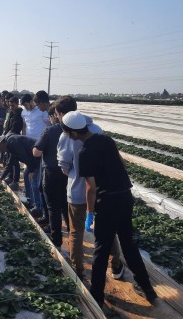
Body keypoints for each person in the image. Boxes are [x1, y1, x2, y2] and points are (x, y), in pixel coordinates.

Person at [62, 111, 158, 308]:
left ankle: (97, 295)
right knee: (128, 244)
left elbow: (91, 187)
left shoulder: (84, 153)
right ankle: (148, 289)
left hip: (107, 203)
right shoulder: (106, 140)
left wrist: (90, 213)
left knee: (102, 248)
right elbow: (120, 163)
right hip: (125, 197)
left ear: (72, 133)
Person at [55, 96, 124, 280]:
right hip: (100, 191)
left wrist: (73, 172)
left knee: (76, 231)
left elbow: (64, 166)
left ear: (63, 115)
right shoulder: (97, 130)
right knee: (106, 230)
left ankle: (78, 270)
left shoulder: (65, 135)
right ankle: (116, 264)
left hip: (77, 191)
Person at [33, 103, 69, 249]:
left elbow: (37, 152)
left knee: (53, 207)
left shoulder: (50, 131)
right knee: (66, 204)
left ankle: (57, 239)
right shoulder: (75, 130)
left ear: (56, 115)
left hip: (52, 172)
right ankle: (73, 233)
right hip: (68, 173)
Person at [0, 134, 40, 210]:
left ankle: (38, 207)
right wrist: (1, 178)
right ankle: (30, 200)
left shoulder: (12, 142)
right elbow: (10, 164)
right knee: (26, 176)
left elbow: (25, 156)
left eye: (0, 148)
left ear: (2, 143)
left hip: (37, 157)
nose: (1, 150)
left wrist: (32, 170)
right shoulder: (10, 146)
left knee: (33, 181)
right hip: (32, 159)